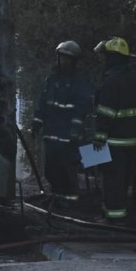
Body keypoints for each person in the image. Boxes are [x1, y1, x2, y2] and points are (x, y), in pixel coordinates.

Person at [92, 37, 136, 224]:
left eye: (106, 56)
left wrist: (98, 138)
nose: (103, 60)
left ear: (112, 58)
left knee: (111, 180)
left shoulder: (111, 81)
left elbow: (105, 113)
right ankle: (109, 211)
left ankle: (114, 219)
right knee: (124, 180)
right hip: (134, 141)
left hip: (112, 141)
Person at [32, 40, 94, 204]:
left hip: (67, 134)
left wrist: (75, 129)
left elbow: (82, 107)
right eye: (61, 57)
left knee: (67, 168)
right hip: (51, 132)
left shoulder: (80, 82)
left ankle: (70, 199)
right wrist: (37, 121)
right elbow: (43, 102)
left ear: (74, 61)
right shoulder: (52, 79)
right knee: (51, 169)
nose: (63, 61)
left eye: (67, 58)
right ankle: (57, 197)